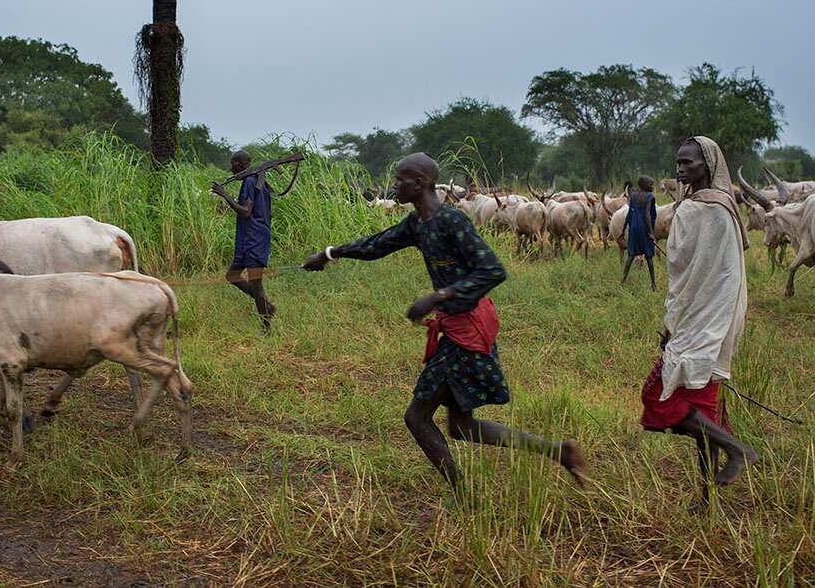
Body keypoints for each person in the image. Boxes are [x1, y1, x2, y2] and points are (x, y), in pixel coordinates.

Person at [303, 153, 586, 492]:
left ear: (419, 183)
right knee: (462, 427)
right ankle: (559, 452)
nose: (395, 185)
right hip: (457, 325)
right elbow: (377, 244)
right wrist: (330, 253)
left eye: (400, 179)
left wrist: (438, 297)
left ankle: (464, 496)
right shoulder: (418, 223)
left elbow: (492, 270)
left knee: (417, 418)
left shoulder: (452, 220)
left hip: (467, 326)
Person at [641, 136, 758, 508]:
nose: (681, 168)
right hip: (713, 318)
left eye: (689, 163)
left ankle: (737, 450)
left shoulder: (707, 210)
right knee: (704, 415)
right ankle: (707, 497)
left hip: (700, 320)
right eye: (678, 162)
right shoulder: (714, 206)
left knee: (660, 400)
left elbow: (692, 276)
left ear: (708, 164)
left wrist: (674, 324)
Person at [212, 150, 275, 331]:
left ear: (242, 164)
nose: (231, 167)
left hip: (254, 240)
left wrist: (224, 195)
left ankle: (266, 325)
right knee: (232, 276)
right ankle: (266, 305)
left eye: (234, 163)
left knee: (256, 283)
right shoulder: (259, 181)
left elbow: (246, 211)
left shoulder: (249, 181)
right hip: (250, 238)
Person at [621, 176, 658, 290]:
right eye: (650, 184)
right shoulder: (649, 197)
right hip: (644, 229)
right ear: (644, 185)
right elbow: (647, 215)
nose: (652, 187)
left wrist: (623, 230)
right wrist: (651, 233)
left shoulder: (633, 196)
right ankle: (653, 284)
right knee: (649, 256)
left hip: (633, 229)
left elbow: (629, 214)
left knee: (630, 255)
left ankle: (622, 282)